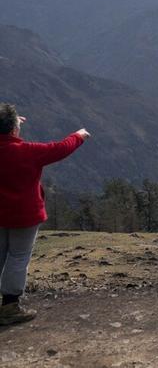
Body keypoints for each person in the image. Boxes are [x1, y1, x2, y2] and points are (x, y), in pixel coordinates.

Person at [0, 103, 89, 326]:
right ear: (13, 130)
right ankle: (9, 307)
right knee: (18, 257)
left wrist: (10, 124)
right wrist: (79, 136)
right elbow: (60, 148)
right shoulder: (29, 152)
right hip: (25, 216)